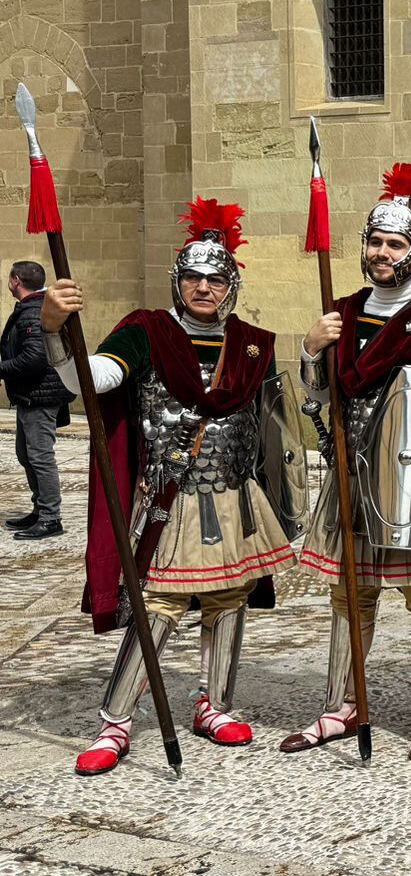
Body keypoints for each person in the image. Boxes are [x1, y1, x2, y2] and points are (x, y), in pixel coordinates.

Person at [44, 200, 297, 773]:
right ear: (176, 281)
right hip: (169, 496)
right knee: (157, 604)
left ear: (230, 284)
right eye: (192, 277)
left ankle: (216, 704)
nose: (202, 288)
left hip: (235, 496)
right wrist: (55, 330)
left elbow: (271, 429)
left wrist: (285, 505)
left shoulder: (253, 343)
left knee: (230, 597)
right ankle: (116, 722)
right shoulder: (147, 332)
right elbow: (91, 380)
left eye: (214, 278)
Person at [285, 164, 411, 761]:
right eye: (375, 241)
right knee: (349, 594)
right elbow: (318, 399)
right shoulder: (340, 313)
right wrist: (311, 350)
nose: (382, 252)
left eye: (395, 243)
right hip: (351, 472)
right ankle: (344, 705)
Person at [3, 260, 68, 539]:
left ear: (16, 281)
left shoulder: (34, 311)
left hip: (39, 396)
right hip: (30, 395)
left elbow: (34, 359)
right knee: (25, 454)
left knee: (40, 457)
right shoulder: (35, 308)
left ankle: (51, 518)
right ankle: (40, 510)